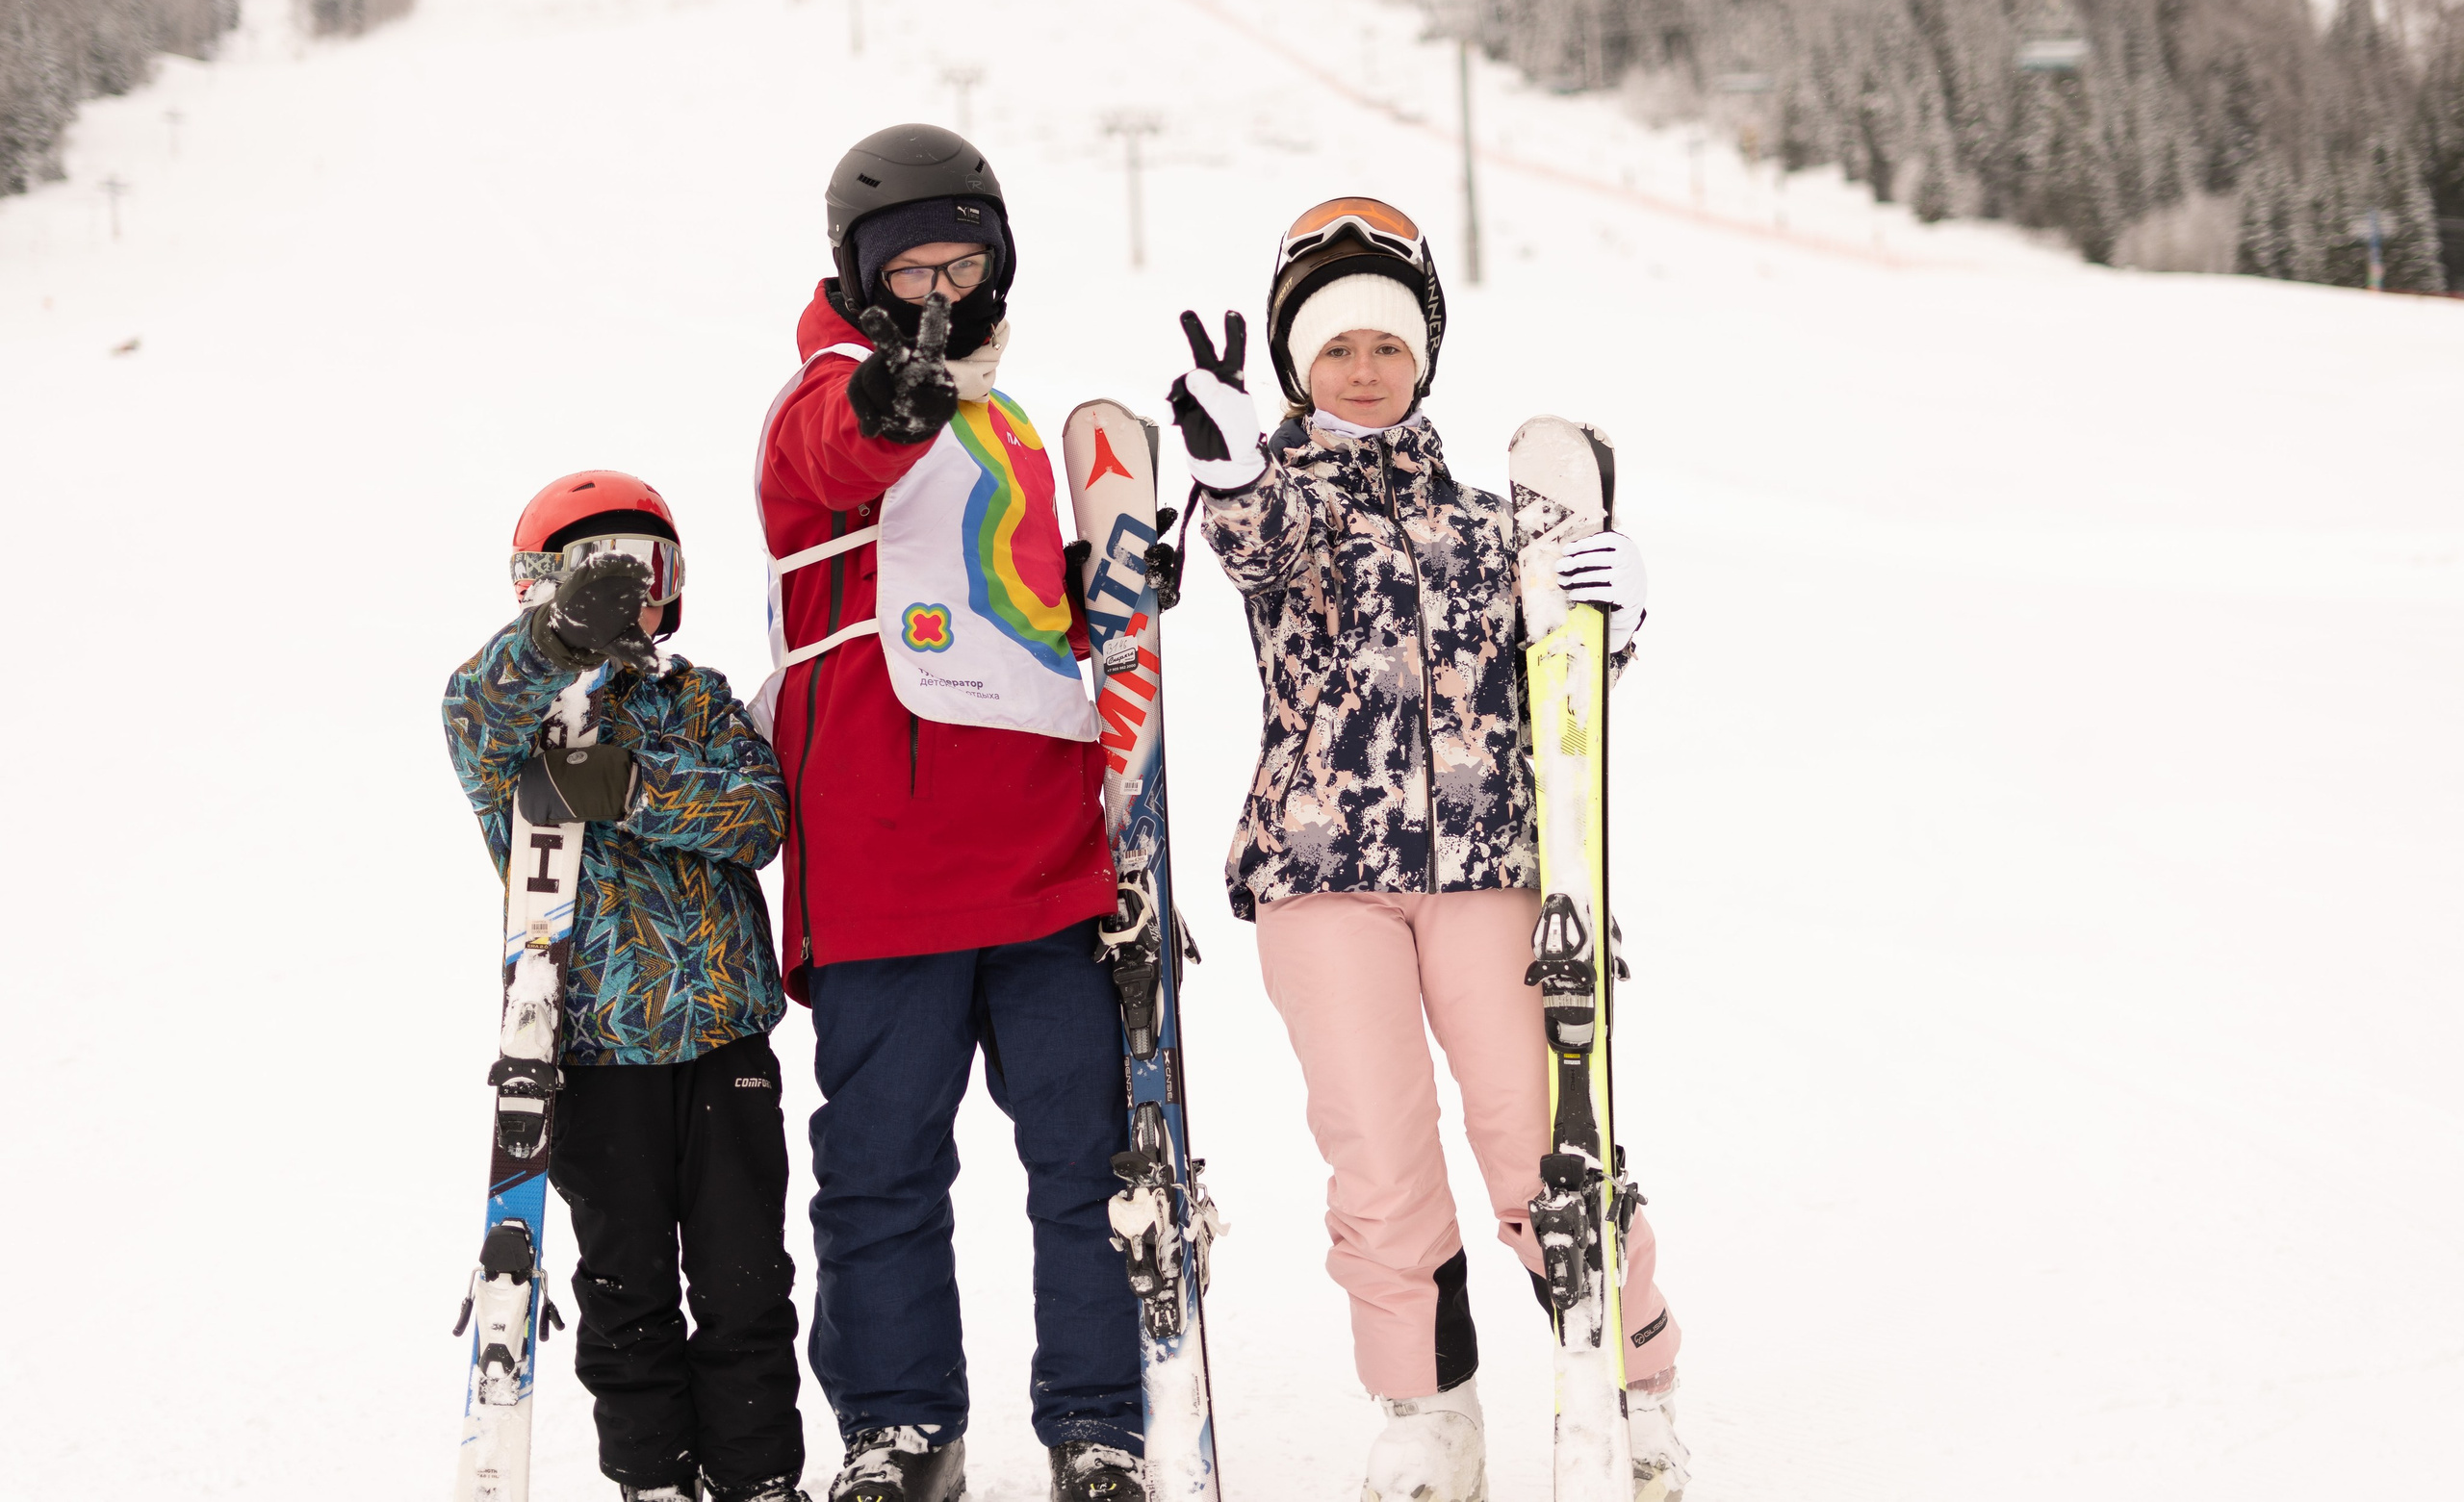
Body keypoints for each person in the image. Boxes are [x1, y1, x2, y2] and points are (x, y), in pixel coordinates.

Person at [1162, 198, 1689, 1502]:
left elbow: (1563, 682)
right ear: (1294, 363)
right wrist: (1230, 473)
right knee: (1379, 1154)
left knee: (1546, 1137)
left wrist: (1609, 616)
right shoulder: (1285, 509)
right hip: (1322, 880)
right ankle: (1427, 1413)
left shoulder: (1490, 519)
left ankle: (1631, 1374)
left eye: (1387, 347)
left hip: (1492, 873)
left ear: (1424, 360)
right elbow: (1253, 544)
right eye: (1334, 346)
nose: (1361, 368)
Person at [751, 124, 1143, 1502]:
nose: (938, 290)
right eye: (907, 267)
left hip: (1045, 855)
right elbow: (844, 449)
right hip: (884, 862)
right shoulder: (821, 400)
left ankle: (1100, 1421)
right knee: (881, 1165)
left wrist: (1125, 567)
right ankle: (904, 1426)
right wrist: (894, 393)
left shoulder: (1016, 427)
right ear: (856, 275)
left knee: (1088, 1161)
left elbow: (1053, 606)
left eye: (961, 261)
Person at [442, 471, 803, 1502]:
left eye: (649, 571)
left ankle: (758, 1477)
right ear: (540, 586)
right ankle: (651, 1479)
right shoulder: (510, 718)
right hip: (596, 1053)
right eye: (600, 574)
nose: (630, 595)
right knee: (624, 1288)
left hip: (725, 1042)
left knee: (745, 1283)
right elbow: (475, 709)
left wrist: (638, 790)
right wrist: (558, 643)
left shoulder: (698, 698)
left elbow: (759, 817)